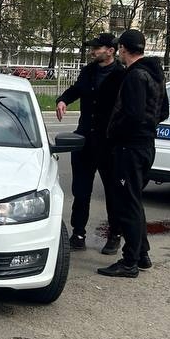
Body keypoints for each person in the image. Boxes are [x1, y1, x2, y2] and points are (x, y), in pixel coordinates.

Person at [100, 29, 170, 278]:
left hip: (129, 148)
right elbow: (164, 112)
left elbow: (133, 113)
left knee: (126, 204)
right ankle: (142, 255)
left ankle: (129, 262)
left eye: (119, 48)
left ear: (123, 49)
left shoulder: (134, 76)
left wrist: (115, 133)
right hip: (145, 146)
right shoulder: (155, 74)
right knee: (134, 201)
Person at [55, 33, 125, 254]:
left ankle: (114, 234)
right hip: (85, 139)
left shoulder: (122, 75)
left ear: (111, 50)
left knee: (113, 191)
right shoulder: (89, 71)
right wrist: (63, 99)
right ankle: (78, 233)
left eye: (97, 48)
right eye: (93, 48)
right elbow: (77, 89)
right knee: (81, 190)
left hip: (109, 143)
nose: (93, 51)